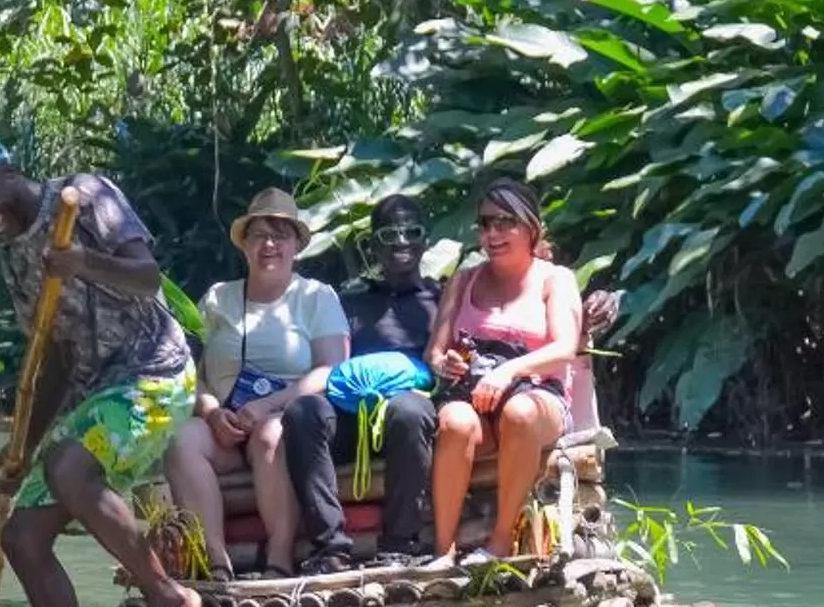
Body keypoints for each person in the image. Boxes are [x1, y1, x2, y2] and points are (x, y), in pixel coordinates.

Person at [0, 127, 201, 607]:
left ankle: (170, 598)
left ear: (8, 173)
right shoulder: (14, 260)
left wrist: (83, 262)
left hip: (155, 374)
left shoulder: (85, 196)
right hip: (93, 397)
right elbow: (52, 358)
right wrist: (20, 448)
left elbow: (146, 276)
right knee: (22, 539)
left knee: (71, 466)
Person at [162, 188, 348, 576]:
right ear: (244, 245)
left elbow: (331, 368)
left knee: (271, 435)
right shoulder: (217, 298)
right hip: (224, 422)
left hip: (281, 416)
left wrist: (266, 405)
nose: (269, 244)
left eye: (280, 235)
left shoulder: (316, 297)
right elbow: (186, 370)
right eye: (258, 234)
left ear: (296, 244)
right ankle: (215, 560)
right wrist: (211, 412)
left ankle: (278, 558)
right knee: (182, 441)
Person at [282, 192, 442, 566]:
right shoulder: (349, 302)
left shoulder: (443, 299)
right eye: (388, 235)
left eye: (411, 232)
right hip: (351, 417)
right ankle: (331, 546)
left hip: (408, 424)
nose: (401, 242)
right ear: (372, 246)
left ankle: (399, 544)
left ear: (424, 241)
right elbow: (328, 360)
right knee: (304, 412)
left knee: (409, 410)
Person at [428, 177, 583, 560]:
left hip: (537, 395)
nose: (492, 233)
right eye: (485, 223)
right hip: (472, 393)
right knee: (454, 423)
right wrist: (442, 363)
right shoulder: (462, 281)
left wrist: (508, 371)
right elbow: (433, 351)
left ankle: (499, 542)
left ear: (531, 228)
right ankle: (442, 551)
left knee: (520, 412)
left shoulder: (555, 280)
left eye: (504, 222)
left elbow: (565, 348)